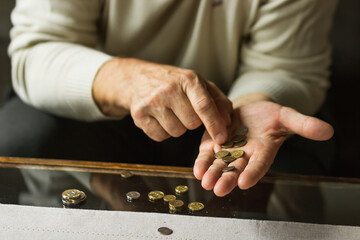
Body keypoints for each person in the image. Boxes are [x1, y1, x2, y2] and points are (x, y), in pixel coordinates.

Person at [1, 0, 338, 197]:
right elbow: (37, 50)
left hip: (230, 114)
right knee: (21, 140)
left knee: (288, 180)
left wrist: (254, 101)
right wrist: (127, 80)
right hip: (95, 99)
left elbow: (287, 64)